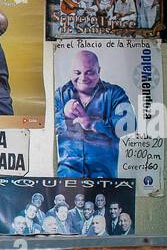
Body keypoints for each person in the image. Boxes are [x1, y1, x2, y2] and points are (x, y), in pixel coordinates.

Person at [55, 49, 132, 178]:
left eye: (89, 72)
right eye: (77, 72)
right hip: (67, 175)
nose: (83, 78)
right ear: (71, 71)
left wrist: (93, 124)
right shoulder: (60, 95)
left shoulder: (114, 93)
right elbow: (44, 128)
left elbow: (129, 124)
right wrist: (64, 114)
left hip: (104, 174)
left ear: (99, 71)